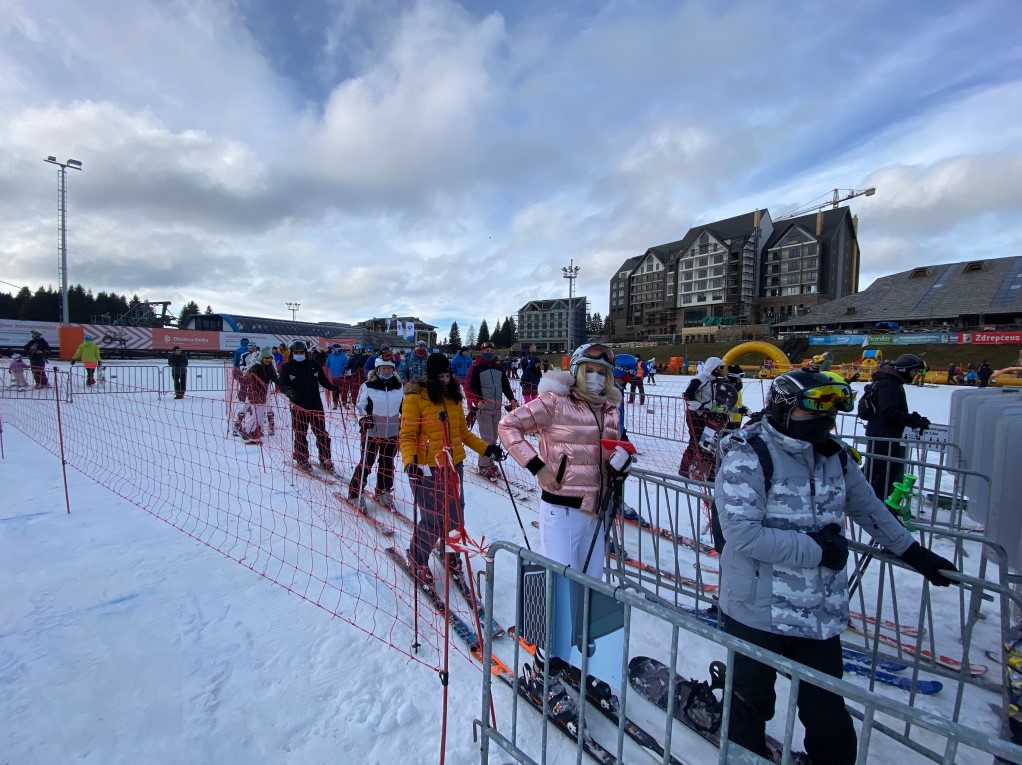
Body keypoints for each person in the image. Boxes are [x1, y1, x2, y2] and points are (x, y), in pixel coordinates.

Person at [714, 369, 957, 764]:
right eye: (819, 407)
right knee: (750, 706)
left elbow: (869, 509)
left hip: (818, 612)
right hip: (756, 609)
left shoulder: (834, 455)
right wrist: (818, 551)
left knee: (828, 716)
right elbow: (743, 535)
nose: (830, 418)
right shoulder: (749, 453)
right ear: (786, 408)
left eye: (835, 407)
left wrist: (914, 553)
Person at [497, 342, 629, 704]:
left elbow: (617, 447)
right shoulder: (556, 402)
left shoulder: (612, 409)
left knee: (591, 588)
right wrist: (537, 466)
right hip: (562, 507)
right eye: (592, 371)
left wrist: (621, 463)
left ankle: (579, 661)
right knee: (556, 582)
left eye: (604, 373)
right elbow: (508, 425)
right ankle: (545, 662)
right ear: (578, 371)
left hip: (597, 510)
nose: (598, 378)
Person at [401, 353, 502, 584]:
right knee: (433, 518)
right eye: (440, 376)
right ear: (430, 376)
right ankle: (417, 557)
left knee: (456, 515)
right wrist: (410, 463)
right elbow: (406, 435)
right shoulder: (416, 397)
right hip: (427, 466)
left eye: (448, 375)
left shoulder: (453, 396)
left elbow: (462, 433)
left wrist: (487, 449)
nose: (445, 380)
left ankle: (452, 552)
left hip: (454, 464)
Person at [863, 354, 930, 501]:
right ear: (904, 370)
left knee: (876, 469)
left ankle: (868, 499)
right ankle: (874, 501)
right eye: (914, 372)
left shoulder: (889, 381)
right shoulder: (890, 384)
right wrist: (913, 421)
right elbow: (889, 411)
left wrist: (912, 418)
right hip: (883, 435)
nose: (914, 375)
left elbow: (889, 409)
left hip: (883, 433)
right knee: (885, 471)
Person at [349, 355, 404, 506]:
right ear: (377, 369)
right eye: (383, 368)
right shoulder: (368, 386)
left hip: (392, 431)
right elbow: (359, 405)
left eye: (389, 369)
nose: (386, 371)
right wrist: (363, 419)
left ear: (393, 370)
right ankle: (355, 493)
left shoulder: (399, 386)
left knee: (387, 463)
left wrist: (405, 419)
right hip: (372, 431)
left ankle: (383, 491)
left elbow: (403, 407)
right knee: (367, 463)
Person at [278, 340, 340, 473]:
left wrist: (332, 387)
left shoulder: (313, 365)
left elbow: (323, 380)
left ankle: (325, 458)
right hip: (298, 405)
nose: (299, 354)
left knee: (321, 433)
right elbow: (282, 384)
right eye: (296, 352)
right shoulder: (287, 367)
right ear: (292, 353)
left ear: (305, 353)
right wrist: (288, 390)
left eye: (301, 352)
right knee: (300, 433)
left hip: (315, 404)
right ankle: (302, 458)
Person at [468, 341, 518, 479]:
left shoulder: (499, 368)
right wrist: (475, 401)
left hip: (497, 408)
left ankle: (489, 461)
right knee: (487, 438)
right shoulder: (476, 368)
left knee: (494, 437)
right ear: (481, 351)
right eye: (486, 350)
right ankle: (483, 465)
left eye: (491, 350)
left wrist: (512, 399)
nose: (489, 353)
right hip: (483, 408)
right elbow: (470, 387)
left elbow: (505, 385)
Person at [678, 357, 727, 478]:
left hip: (707, 415)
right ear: (712, 367)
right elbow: (688, 395)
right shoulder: (699, 379)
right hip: (695, 414)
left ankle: (700, 468)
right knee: (695, 441)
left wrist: (718, 410)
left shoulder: (713, 381)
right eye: (719, 368)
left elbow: (710, 400)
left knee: (706, 443)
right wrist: (701, 409)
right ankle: (684, 468)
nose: (720, 371)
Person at [241, 348, 279, 442]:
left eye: (269, 359)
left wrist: (283, 385)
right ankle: (247, 430)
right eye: (265, 359)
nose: (267, 361)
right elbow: (246, 380)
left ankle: (256, 430)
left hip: (263, 393)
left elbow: (275, 378)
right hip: (254, 393)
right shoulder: (255, 368)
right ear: (261, 359)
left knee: (261, 413)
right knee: (257, 413)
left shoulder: (270, 368)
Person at [324, 344, 349, 409]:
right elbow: (327, 365)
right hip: (333, 377)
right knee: (334, 390)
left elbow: (347, 366)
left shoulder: (344, 356)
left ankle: (344, 403)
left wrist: (345, 369)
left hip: (342, 377)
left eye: (333, 349)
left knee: (344, 391)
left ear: (337, 350)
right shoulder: (330, 356)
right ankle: (335, 403)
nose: (331, 350)